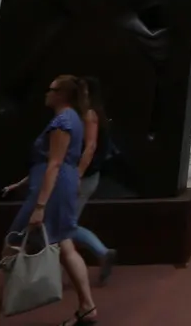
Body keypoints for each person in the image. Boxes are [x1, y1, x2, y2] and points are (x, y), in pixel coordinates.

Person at [0, 74, 97, 326]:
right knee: (65, 245)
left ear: (62, 94)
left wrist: (40, 206)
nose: (46, 93)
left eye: (51, 89)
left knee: (12, 249)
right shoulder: (71, 118)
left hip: (51, 190)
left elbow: (55, 163)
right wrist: (21, 183)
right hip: (56, 185)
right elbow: (52, 160)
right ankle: (87, 307)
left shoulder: (62, 121)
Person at [72, 76, 117, 286]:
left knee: (63, 225)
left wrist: (77, 174)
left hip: (84, 177)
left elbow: (89, 148)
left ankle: (101, 252)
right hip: (87, 176)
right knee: (63, 225)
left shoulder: (89, 115)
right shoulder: (92, 114)